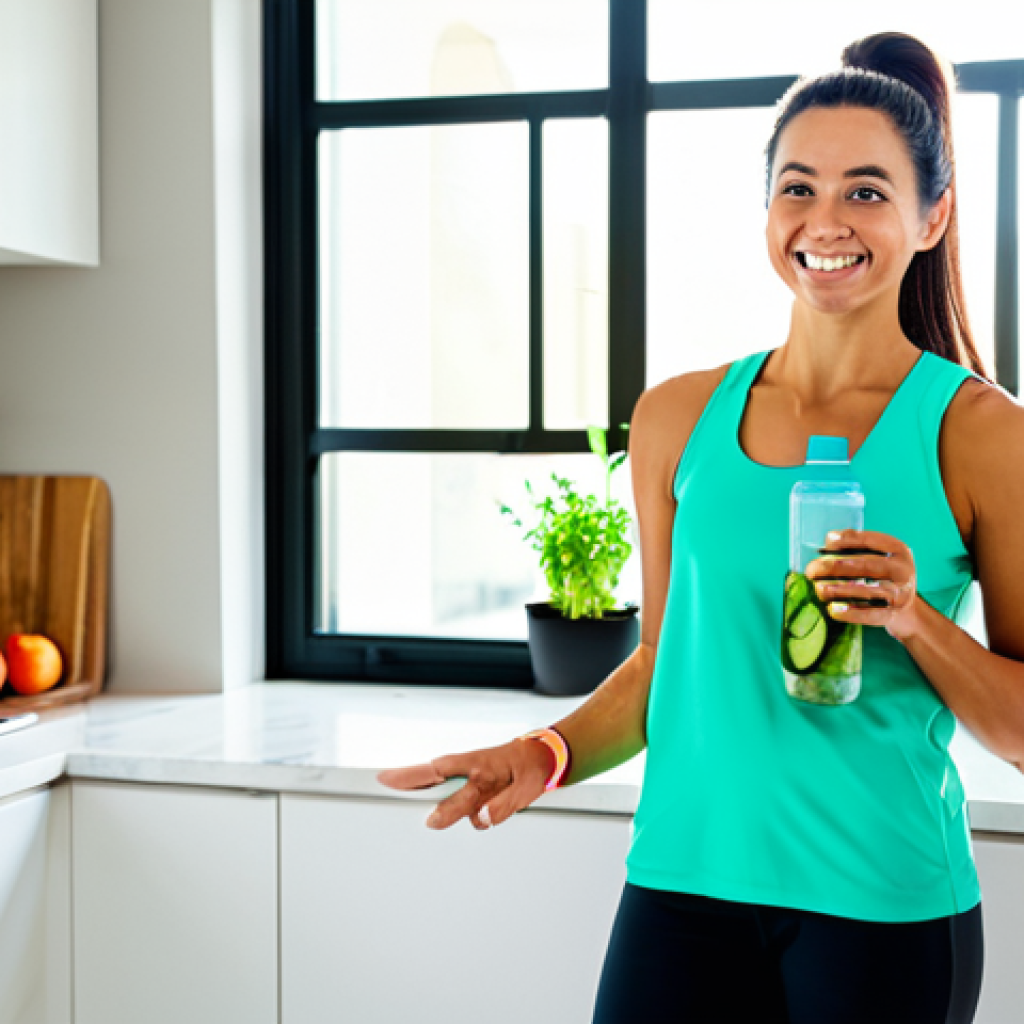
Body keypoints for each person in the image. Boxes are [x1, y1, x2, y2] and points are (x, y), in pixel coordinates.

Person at [378, 31, 1024, 1024]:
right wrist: (541, 751)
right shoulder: (677, 417)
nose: (825, 220)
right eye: (797, 187)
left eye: (866, 190)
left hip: (883, 913)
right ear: (766, 208)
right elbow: (657, 667)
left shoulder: (981, 435)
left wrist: (914, 620)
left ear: (931, 215)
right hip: (681, 892)